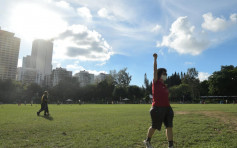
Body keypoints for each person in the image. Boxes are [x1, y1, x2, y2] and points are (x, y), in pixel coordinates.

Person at [143, 53, 174, 148]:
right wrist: (155, 59)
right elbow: (155, 70)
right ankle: (147, 141)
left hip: (167, 108)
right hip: (157, 109)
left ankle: (171, 145)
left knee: (169, 126)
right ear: (159, 75)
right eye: (164, 74)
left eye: (166, 74)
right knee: (154, 126)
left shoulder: (164, 85)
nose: (165, 75)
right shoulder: (155, 82)